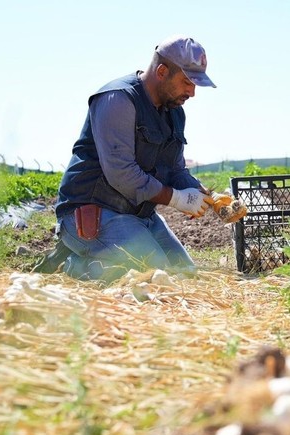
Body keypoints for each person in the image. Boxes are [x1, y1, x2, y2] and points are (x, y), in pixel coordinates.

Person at [51, 35, 217, 283]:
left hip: (140, 217)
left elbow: (175, 170)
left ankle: (106, 257)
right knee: (158, 279)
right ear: (162, 71)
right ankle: (76, 266)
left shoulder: (175, 113)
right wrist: (176, 198)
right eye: (186, 82)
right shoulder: (117, 99)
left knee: (187, 278)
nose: (192, 92)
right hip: (94, 213)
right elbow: (122, 174)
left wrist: (204, 195)